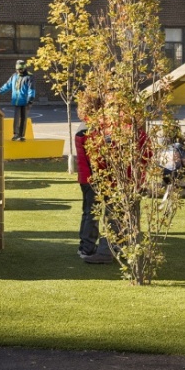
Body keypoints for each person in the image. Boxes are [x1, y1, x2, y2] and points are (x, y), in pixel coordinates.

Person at [74, 92, 101, 259]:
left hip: (85, 177)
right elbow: (95, 157)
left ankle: (85, 246)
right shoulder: (89, 129)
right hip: (92, 176)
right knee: (92, 213)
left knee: (88, 212)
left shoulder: (84, 126)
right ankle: (87, 247)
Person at [0, 59, 35, 141]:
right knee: (16, 118)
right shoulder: (14, 76)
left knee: (23, 118)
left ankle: (21, 135)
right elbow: (7, 85)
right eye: (18, 69)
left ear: (24, 68)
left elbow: (31, 90)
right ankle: (16, 134)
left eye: (21, 69)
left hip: (25, 101)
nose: (19, 71)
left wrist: (30, 100)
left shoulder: (29, 77)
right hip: (16, 100)